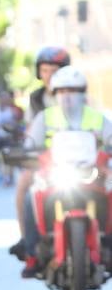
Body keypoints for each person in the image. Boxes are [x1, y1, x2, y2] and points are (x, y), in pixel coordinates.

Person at [15, 66, 112, 272]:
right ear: (55, 94)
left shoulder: (97, 118)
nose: (68, 96)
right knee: (30, 195)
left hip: (91, 175)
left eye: (73, 90)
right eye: (62, 91)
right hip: (54, 175)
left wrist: (104, 159)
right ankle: (32, 251)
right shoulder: (45, 118)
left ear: (82, 92)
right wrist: (29, 155)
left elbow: (109, 141)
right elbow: (30, 145)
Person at [14, 47, 72, 249]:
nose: (49, 76)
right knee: (24, 186)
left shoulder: (77, 94)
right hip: (45, 161)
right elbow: (30, 131)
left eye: (54, 70)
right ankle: (27, 243)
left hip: (77, 158)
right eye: (45, 70)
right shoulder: (35, 98)